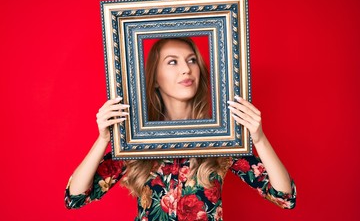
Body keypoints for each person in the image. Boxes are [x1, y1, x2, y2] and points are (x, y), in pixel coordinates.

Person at [65, 37, 296, 221]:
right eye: (172, 61)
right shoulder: (136, 140)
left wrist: (260, 138)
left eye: (192, 60)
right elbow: (75, 198)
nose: (186, 69)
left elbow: (285, 197)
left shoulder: (222, 138)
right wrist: (103, 138)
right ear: (155, 78)